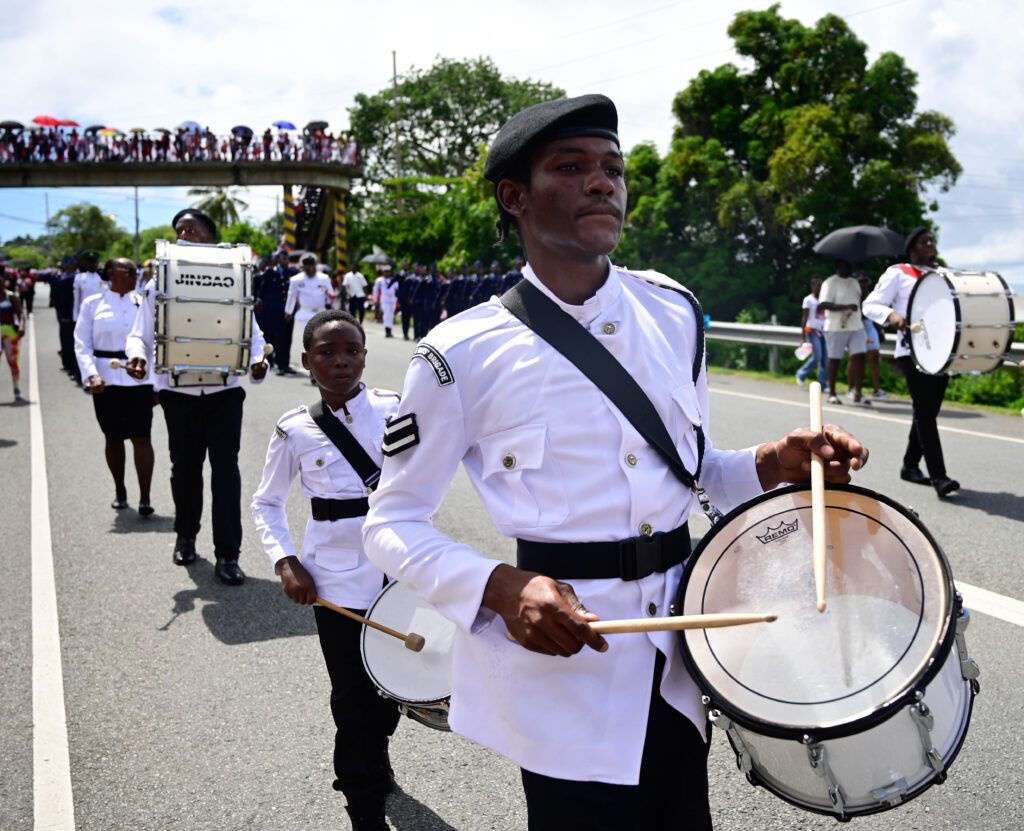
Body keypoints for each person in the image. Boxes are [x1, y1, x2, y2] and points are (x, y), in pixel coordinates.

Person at [362, 94, 869, 830]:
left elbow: (693, 476)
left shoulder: (674, 312)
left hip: (682, 654)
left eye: (612, 168)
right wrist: (499, 586)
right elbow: (392, 521)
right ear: (514, 197)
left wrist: (770, 462)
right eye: (571, 168)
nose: (602, 183)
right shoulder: (458, 355)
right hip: (567, 666)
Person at [251, 309, 401, 831]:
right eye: (327, 353)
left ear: (364, 355)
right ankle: (363, 803)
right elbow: (266, 502)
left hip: (397, 572)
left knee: (391, 692)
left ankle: (376, 753)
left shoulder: (395, 410)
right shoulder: (295, 429)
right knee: (353, 694)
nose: (341, 362)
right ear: (306, 359)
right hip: (333, 580)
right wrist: (286, 561)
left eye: (351, 351)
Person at [125, 208, 269, 585]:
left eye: (193, 228)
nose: (185, 234)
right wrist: (138, 357)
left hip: (225, 393)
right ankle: (186, 536)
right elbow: (139, 333)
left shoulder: (235, 279)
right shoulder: (161, 283)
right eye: (179, 230)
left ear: (211, 235)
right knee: (184, 469)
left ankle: (228, 555)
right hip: (179, 393)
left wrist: (257, 362)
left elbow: (253, 334)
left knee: (226, 473)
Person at [863, 228, 958, 497]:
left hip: (941, 353)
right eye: (924, 241)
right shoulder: (898, 272)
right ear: (912, 248)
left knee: (927, 410)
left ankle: (909, 465)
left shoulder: (941, 275)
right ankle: (940, 478)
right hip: (911, 351)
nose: (931, 244)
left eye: (932, 240)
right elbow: (870, 304)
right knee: (926, 413)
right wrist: (891, 315)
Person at [74, 258, 155, 514]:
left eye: (135, 271)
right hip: (105, 381)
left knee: (142, 437)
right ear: (110, 273)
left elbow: (153, 343)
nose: (134, 275)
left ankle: (145, 497)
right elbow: (82, 343)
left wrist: (155, 382)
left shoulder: (142, 303)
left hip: (139, 378)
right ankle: (120, 489)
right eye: (128, 271)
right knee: (113, 437)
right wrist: (91, 376)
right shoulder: (92, 304)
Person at [818, 259, 869, 406]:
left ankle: (858, 392)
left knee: (859, 357)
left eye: (850, 265)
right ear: (839, 266)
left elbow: (862, 300)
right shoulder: (830, 282)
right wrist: (845, 306)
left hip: (856, 325)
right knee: (835, 359)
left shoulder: (854, 282)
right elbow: (824, 304)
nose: (849, 268)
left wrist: (865, 288)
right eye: (845, 265)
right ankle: (832, 393)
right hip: (836, 326)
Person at [286, 253, 336, 379]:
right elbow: (291, 296)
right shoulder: (296, 280)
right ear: (303, 267)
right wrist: (288, 312)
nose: (310, 269)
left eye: (312, 265)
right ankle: (313, 370)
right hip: (305, 314)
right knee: (311, 342)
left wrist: (331, 298)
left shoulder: (323, 278)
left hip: (320, 312)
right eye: (307, 266)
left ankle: (321, 367)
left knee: (322, 341)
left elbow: (331, 294)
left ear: (315, 265)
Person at [850, 272, 887, 400]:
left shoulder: (871, 295)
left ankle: (876, 389)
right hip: (856, 325)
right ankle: (852, 388)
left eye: (865, 281)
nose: (863, 284)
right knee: (856, 358)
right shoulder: (852, 295)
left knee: (874, 356)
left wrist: (880, 331)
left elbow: (874, 314)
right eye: (861, 281)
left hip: (869, 324)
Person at [52, 255, 81, 382]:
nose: (68, 266)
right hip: (66, 317)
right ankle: (68, 365)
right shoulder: (61, 278)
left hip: (77, 316)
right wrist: (61, 315)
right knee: (67, 342)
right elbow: (58, 299)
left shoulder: (78, 278)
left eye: (70, 263)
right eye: (66, 264)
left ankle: (74, 368)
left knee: (75, 344)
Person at [795, 277, 827, 388]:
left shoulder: (824, 300)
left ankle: (822, 383)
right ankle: (801, 373)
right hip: (812, 330)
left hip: (824, 330)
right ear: (812, 287)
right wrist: (803, 337)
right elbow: (804, 318)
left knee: (825, 359)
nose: (819, 288)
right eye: (817, 286)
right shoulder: (808, 300)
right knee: (817, 356)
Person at [0, 274, 26, 401]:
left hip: (9, 332)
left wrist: (22, 327)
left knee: (13, 362)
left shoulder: (10, 296)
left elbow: (21, 314)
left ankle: (16, 388)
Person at [72, 250, 105, 324]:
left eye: (94, 262)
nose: (92, 265)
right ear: (85, 264)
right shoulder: (79, 278)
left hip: (100, 313)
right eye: (89, 262)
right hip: (85, 314)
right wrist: (75, 317)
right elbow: (76, 299)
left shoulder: (102, 278)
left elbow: (106, 295)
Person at [376, 268, 398, 337]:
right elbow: (376, 290)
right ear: (383, 272)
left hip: (392, 299)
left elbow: (397, 289)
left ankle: (390, 330)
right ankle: (387, 331)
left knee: (391, 316)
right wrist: (376, 299)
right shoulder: (379, 280)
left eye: (388, 272)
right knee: (386, 315)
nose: (387, 273)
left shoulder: (394, 280)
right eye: (385, 272)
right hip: (385, 299)